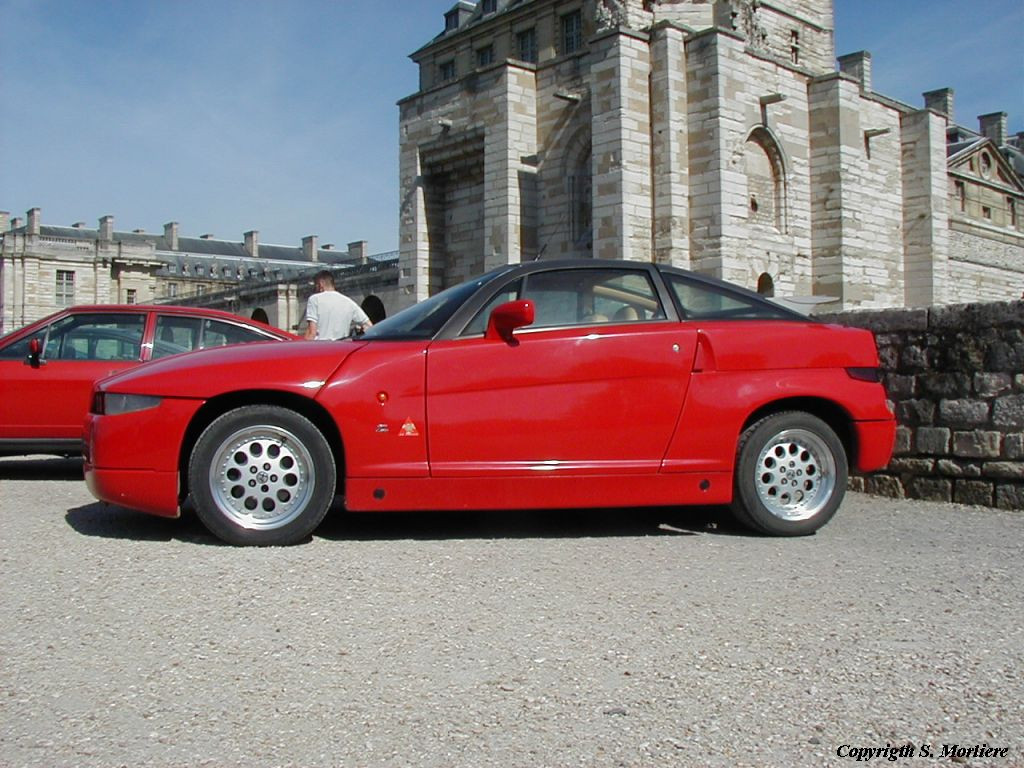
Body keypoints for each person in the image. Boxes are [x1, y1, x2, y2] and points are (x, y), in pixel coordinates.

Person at [303, 270, 373, 340]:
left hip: (320, 347)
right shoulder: (349, 302)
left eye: (316, 285)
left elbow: (312, 333)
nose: (315, 289)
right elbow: (369, 326)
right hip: (342, 348)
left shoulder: (314, 299)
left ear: (321, 284)